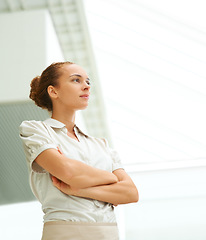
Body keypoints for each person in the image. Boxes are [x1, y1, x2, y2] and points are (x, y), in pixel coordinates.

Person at [19, 61, 139, 240]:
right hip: (64, 232)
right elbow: (69, 173)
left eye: (88, 82)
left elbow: (130, 193)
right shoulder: (36, 130)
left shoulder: (101, 144)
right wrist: (111, 178)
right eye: (76, 80)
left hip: (108, 233)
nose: (86, 87)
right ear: (53, 91)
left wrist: (78, 190)